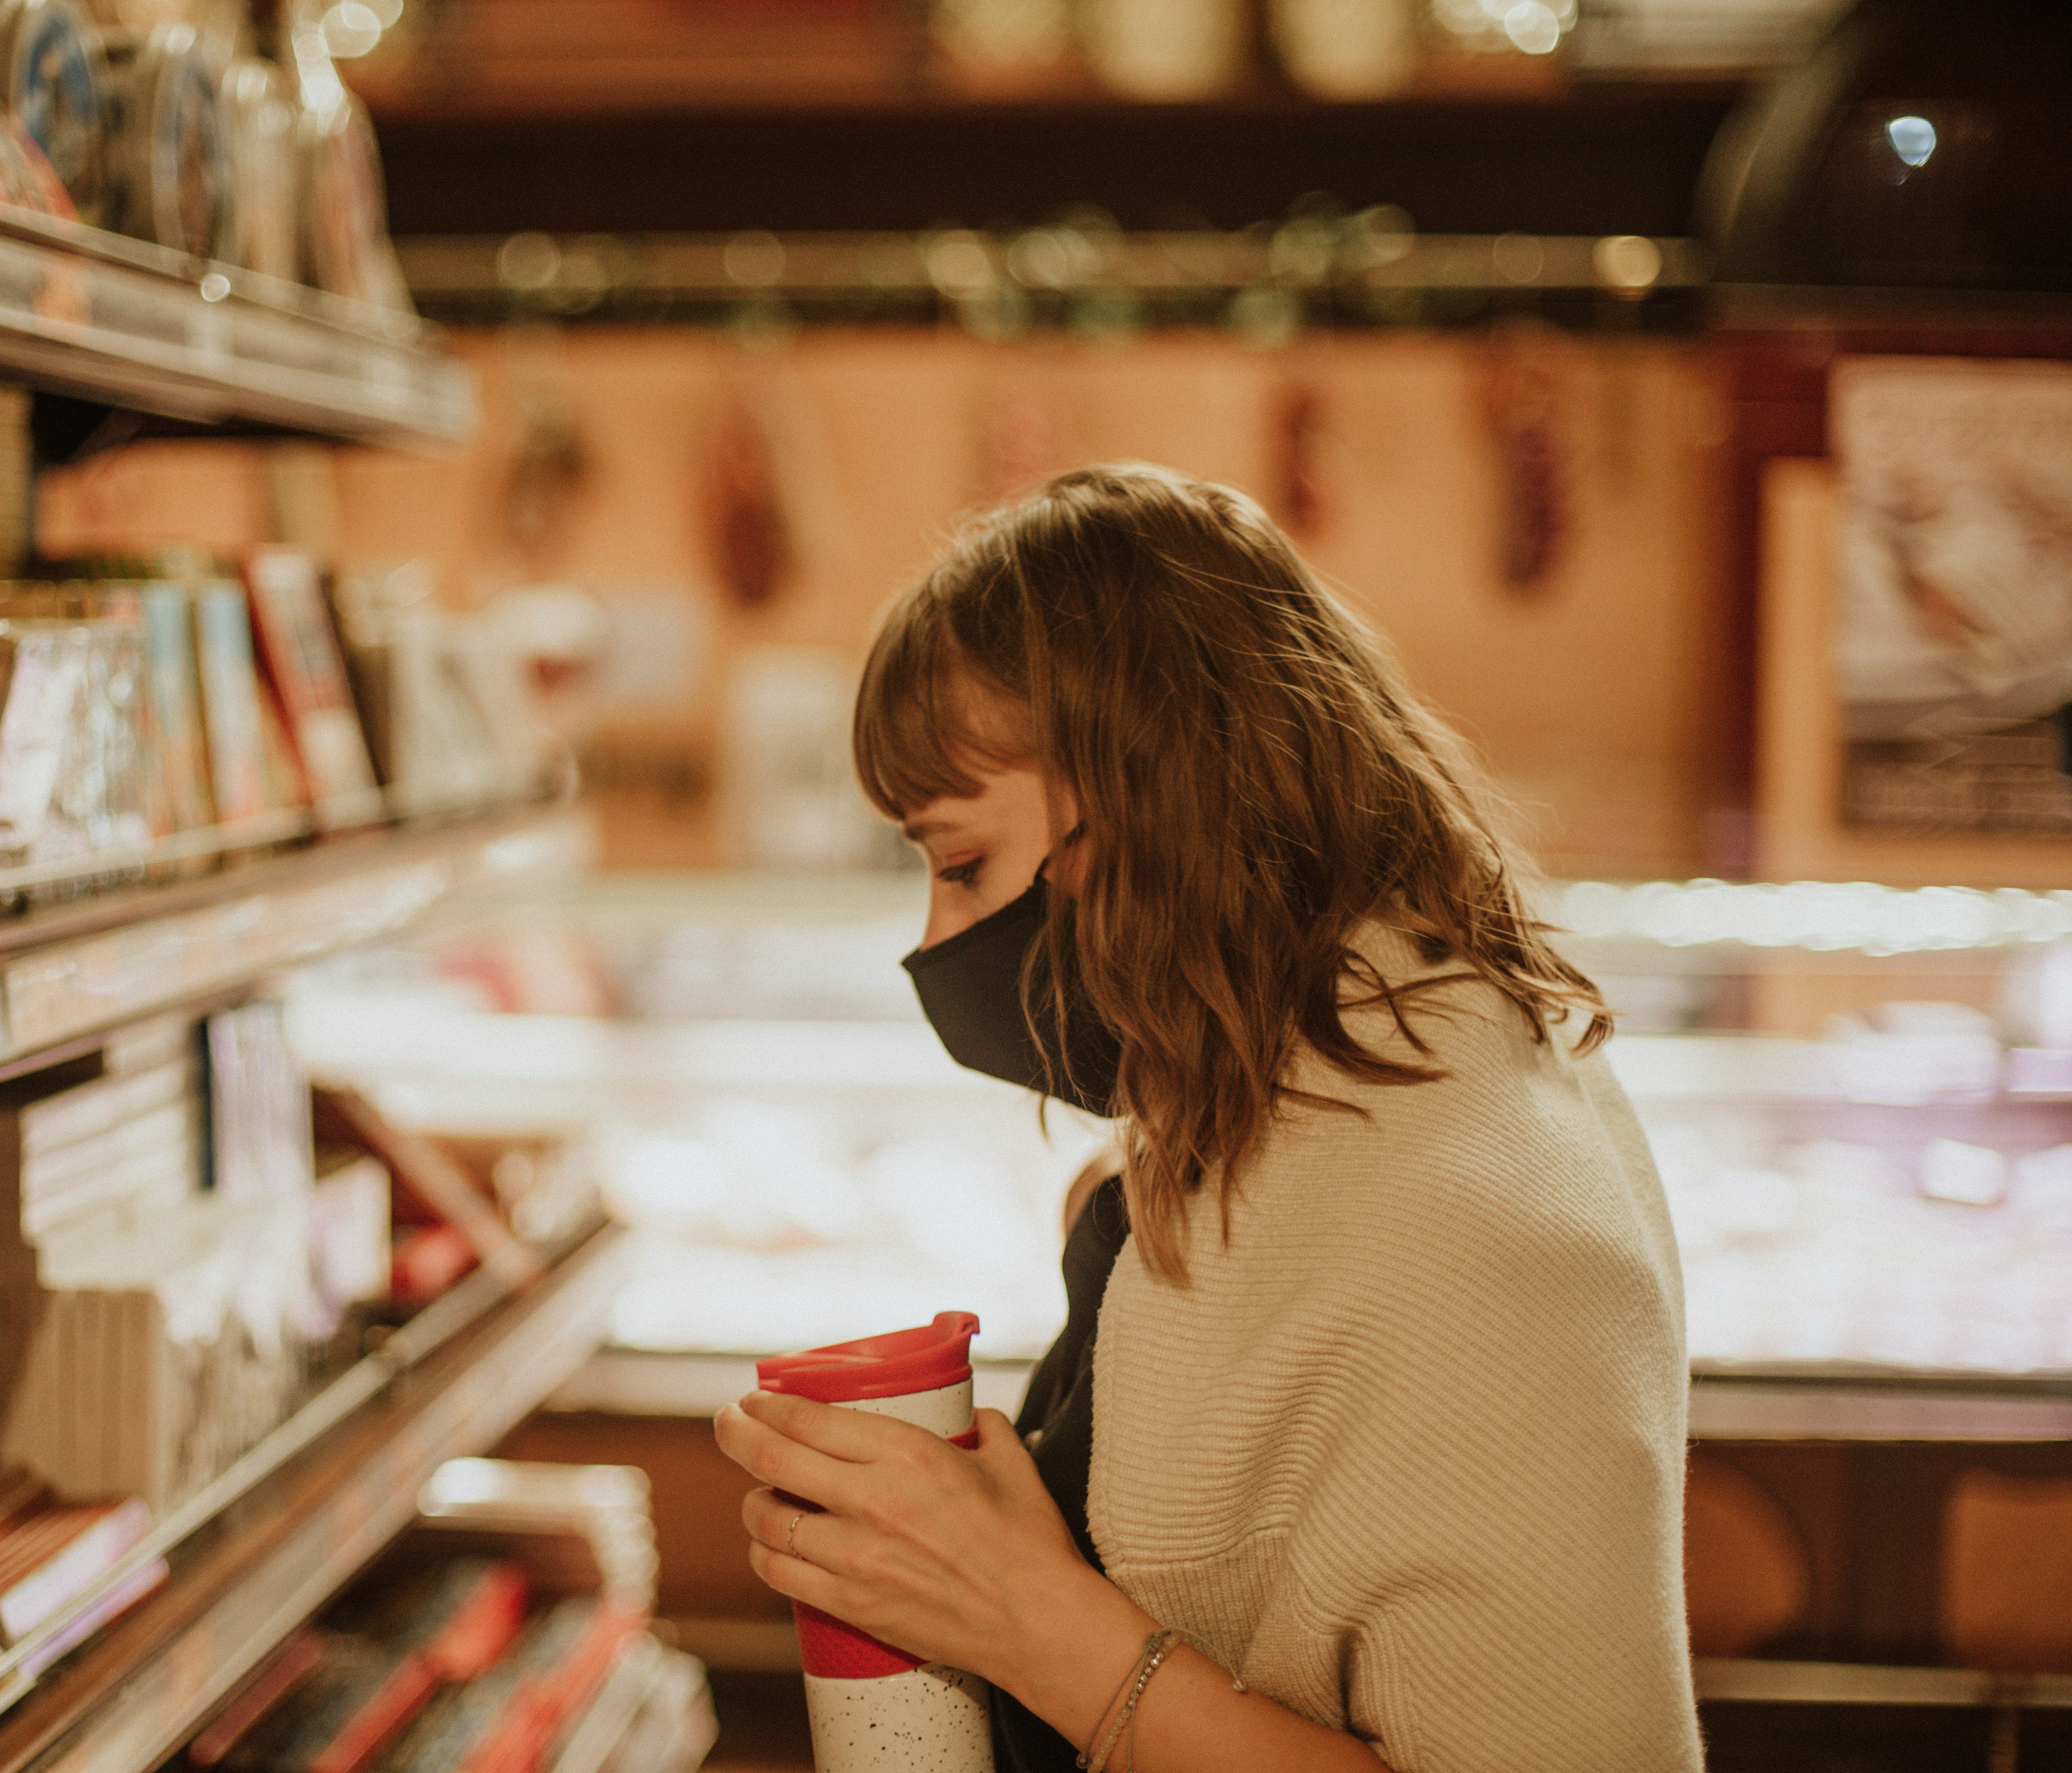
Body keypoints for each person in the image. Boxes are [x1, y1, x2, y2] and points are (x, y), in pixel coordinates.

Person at [714, 464, 1701, 1772]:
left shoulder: (1475, 1229)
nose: (940, 941)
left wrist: (1034, 1624)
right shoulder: (1238, 1128)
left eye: (963, 864)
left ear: (1157, 805)